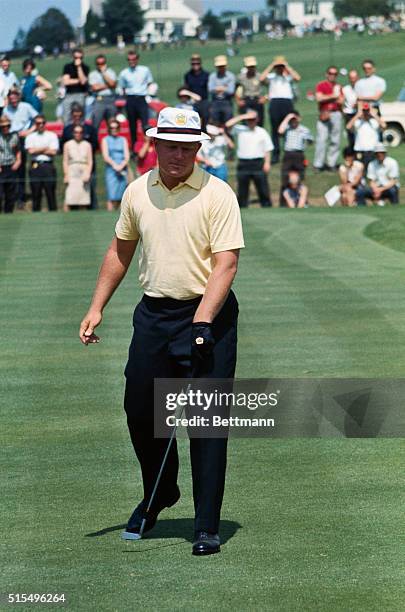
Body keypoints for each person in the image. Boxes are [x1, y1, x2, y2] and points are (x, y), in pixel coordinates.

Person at [79, 107, 244, 556]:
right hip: (153, 315)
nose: (179, 154)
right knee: (140, 411)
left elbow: (226, 262)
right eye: (170, 145)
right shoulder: (137, 191)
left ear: (198, 148)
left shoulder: (218, 193)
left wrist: (204, 321)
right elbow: (121, 249)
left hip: (207, 315)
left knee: (206, 424)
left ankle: (207, 525)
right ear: (155, 145)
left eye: (187, 146)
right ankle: (161, 490)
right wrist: (97, 307)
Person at [226, 110, 273, 208]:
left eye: (253, 119)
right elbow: (228, 125)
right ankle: (242, 207)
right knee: (242, 189)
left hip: (258, 162)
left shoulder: (262, 131)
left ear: (257, 120)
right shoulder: (240, 129)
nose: (251, 122)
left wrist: (267, 163)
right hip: (244, 163)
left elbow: (267, 148)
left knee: (263, 188)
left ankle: (266, 206)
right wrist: (243, 116)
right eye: (249, 120)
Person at [259, 55, 301, 164]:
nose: (279, 68)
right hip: (275, 102)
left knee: (289, 128)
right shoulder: (272, 76)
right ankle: (275, 155)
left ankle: (288, 151)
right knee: (275, 129)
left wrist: (286, 66)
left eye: (280, 66)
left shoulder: (288, 77)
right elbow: (261, 79)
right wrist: (271, 66)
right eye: (278, 66)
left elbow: (297, 78)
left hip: (287, 102)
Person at [3, 88, 38, 206]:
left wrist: (29, 131)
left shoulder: (26, 107)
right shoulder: (6, 110)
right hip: (11, 138)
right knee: (11, 167)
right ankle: (10, 195)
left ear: (18, 97)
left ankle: (21, 197)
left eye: (15, 98)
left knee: (21, 168)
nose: (13, 101)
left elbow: (38, 118)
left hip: (23, 137)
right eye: (11, 99)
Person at [61, 104, 98, 209]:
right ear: (72, 115)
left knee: (89, 193)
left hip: (87, 164)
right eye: (75, 115)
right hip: (72, 166)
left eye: (79, 115)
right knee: (70, 195)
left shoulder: (90, 129)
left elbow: (95, 145)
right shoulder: (67, 129)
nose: (77, 117)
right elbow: (63, 150)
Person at [118, 51, 153, 153]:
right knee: (132, 125)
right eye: (129, 60)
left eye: (133, 59)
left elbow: (149, 82)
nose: (131, 62)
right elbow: (123, 88)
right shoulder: (124, 73)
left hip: (141, 98)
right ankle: (134, 148)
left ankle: (148, 147)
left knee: (145, 125)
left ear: (137, 59)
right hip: (130, 99)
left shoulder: (145, 70)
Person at [278, 111, 313, 205]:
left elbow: (310, 140)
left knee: (299, 178)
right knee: (285, 179)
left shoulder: (304, 129)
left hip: (299, 155)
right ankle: (284, 202)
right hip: (288, 154)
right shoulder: (287, 128)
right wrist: (288, 118)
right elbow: (280, 131)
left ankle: (301, 201)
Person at [25, 114, 59, 212]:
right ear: (35, 124)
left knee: (50, 193)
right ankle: (36, 214)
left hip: (48, 165)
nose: (41, 125)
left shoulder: (52, 135)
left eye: (43, 123)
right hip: (35, 166)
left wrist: (37, 150)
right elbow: (31, 151)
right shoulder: (30, 137)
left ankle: (53, 213)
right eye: (38, 123)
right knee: (36, 193)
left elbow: (53, 152)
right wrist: (45, 148)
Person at [313, 66, 344, 172]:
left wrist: (334, 97)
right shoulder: (321, 85)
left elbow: (341, 100)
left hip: (336, 113)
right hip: (324, 112)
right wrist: (333, 96)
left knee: (335, 140)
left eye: (335, 74)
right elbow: (319, 98)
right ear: (327, 74)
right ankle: (318, 164)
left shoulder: (338, 86)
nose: (332, 76)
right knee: (321, 139)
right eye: (331, 73)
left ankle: (332, 163)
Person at [101, 118, 130, 210]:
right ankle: (109, 212)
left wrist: (121, 165)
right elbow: (106, 156)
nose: (114, 129)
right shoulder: (105, 140)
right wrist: (115, 166)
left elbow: (126, 156)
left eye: (116, 127)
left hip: (122, 168)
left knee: (121, 194)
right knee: (111, 194)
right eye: (112, 128)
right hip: (111, 169)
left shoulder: (123, 140)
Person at [346, 102, 386, 169]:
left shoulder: (374, 122)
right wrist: (358, 115)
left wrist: (374, 115)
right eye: (364, 111)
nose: (366, 113)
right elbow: (348, 127)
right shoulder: (357, 122)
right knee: (359, 170)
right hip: (360, 151)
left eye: (367, 111)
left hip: (372, 151)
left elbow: (384, 126)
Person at [63, 124, 92, 211]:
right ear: (73, 133)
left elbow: (90, 161)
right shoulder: (67, 144)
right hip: (72, 170)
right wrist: (66, 174)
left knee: (83, 199)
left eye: (80, 132)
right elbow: (65, 161)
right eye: (76, 132)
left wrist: (88, 173)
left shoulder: (87, 145)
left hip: (83, 170)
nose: (78, 134)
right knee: (69, 197)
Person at [89, 54, 117, 133]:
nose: (100, 65)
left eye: (102, 63)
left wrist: (104, 73)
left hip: (110, 99)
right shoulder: (93, 74)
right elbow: (94, 88)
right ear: (96, 64)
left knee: (112, 124)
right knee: (95, 123)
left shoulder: (111, 72)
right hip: (99, 99)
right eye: (98, 64)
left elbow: (113, 85)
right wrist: (109, 85)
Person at [235, 56, 266, 127]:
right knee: (246, 122)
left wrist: (265, 97)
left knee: (259, 122)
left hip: (257, 100)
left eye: (253, 66)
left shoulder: (259, 76)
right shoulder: (241, 77)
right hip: (246, 100)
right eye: (249, 67)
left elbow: (270, 86)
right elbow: (235, 89)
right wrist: (238, 100)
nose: (251, 68)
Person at [61, 49, 90, 124]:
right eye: (76, 57)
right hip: (69, 94)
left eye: (80, 58)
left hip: (81, 94)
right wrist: (78, 80)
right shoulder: (67, 67)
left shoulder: (85, 67)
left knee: (81, 116)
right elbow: (66, 82)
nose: (78, 59)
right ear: (73, 57)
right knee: (66, 116)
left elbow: (83, 81)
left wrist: (79, 67)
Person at [0, 115, 21, 213]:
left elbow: (17, 150)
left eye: (7, 126)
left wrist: (18, 161)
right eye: (3, 126)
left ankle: (9, 213)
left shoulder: (14, 136)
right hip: (1, 167)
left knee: (11, 193)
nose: (5, 128)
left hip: (11, 167)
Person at [208, 56, 236, 125]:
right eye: (219, 66)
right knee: (214, 122)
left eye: (222, 66)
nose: (221, 68)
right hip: (215, 101)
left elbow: (231, 91)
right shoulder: (212, 76)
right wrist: (224, 87)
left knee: (228, 122)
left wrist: (217, 88)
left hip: (226, 101)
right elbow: (210, 89)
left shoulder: (230, 76)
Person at [183, 54, 210, 123]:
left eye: (197, 63)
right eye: (193, 63)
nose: (195, 65)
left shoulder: (206, 75)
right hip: (192, 101)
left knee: (205, 116)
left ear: (200, 63)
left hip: (203, 101)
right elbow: (186, 88)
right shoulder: (188, 75)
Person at [342, 69, 359, 150]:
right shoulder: (345, 89)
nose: (353, 80)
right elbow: (341, 101)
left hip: (359, 113)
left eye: (355, 78)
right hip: (349, 114)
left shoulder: (361, 88)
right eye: (351, 78)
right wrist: (343, 112)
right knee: (351, 136)